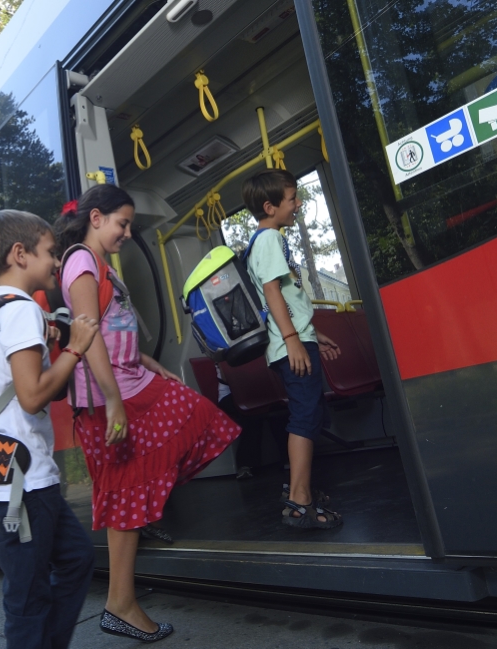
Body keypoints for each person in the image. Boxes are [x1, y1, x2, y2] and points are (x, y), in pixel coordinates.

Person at [55, 185, 240, 643]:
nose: (127, 232)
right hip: (110, 398)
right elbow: (89, 334)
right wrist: (113, 397)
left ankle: (142, 516)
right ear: (96, 218)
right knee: (131, 485)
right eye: (122, 223)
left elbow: (118, 333)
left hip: (129, 382)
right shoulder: (81, 260)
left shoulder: (99, 264)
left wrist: (150, 363)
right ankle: (120, 603)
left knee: (194, 425)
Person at [0, 209, 100, 649]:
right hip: (22, 481)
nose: (57, 262)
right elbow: (34, 396)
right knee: (26, 596)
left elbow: (34, 392)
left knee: (75, 559)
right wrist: (75, 350)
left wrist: (57, 354)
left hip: (15, 473)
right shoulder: (19, 311)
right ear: (20, 254)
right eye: (51, 252)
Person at [241, 169, 344, 529]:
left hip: (295, 338)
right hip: (289, 344)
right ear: (270, 206)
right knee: (305, 416)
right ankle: (300, 500)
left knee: (311, 413)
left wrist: (311, 332)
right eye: (292, 198)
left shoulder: (270, 239)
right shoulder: (268, 239)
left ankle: (304, 490)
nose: (298, 204)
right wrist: (292, 339)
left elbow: (287, 297)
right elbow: (272, 292)